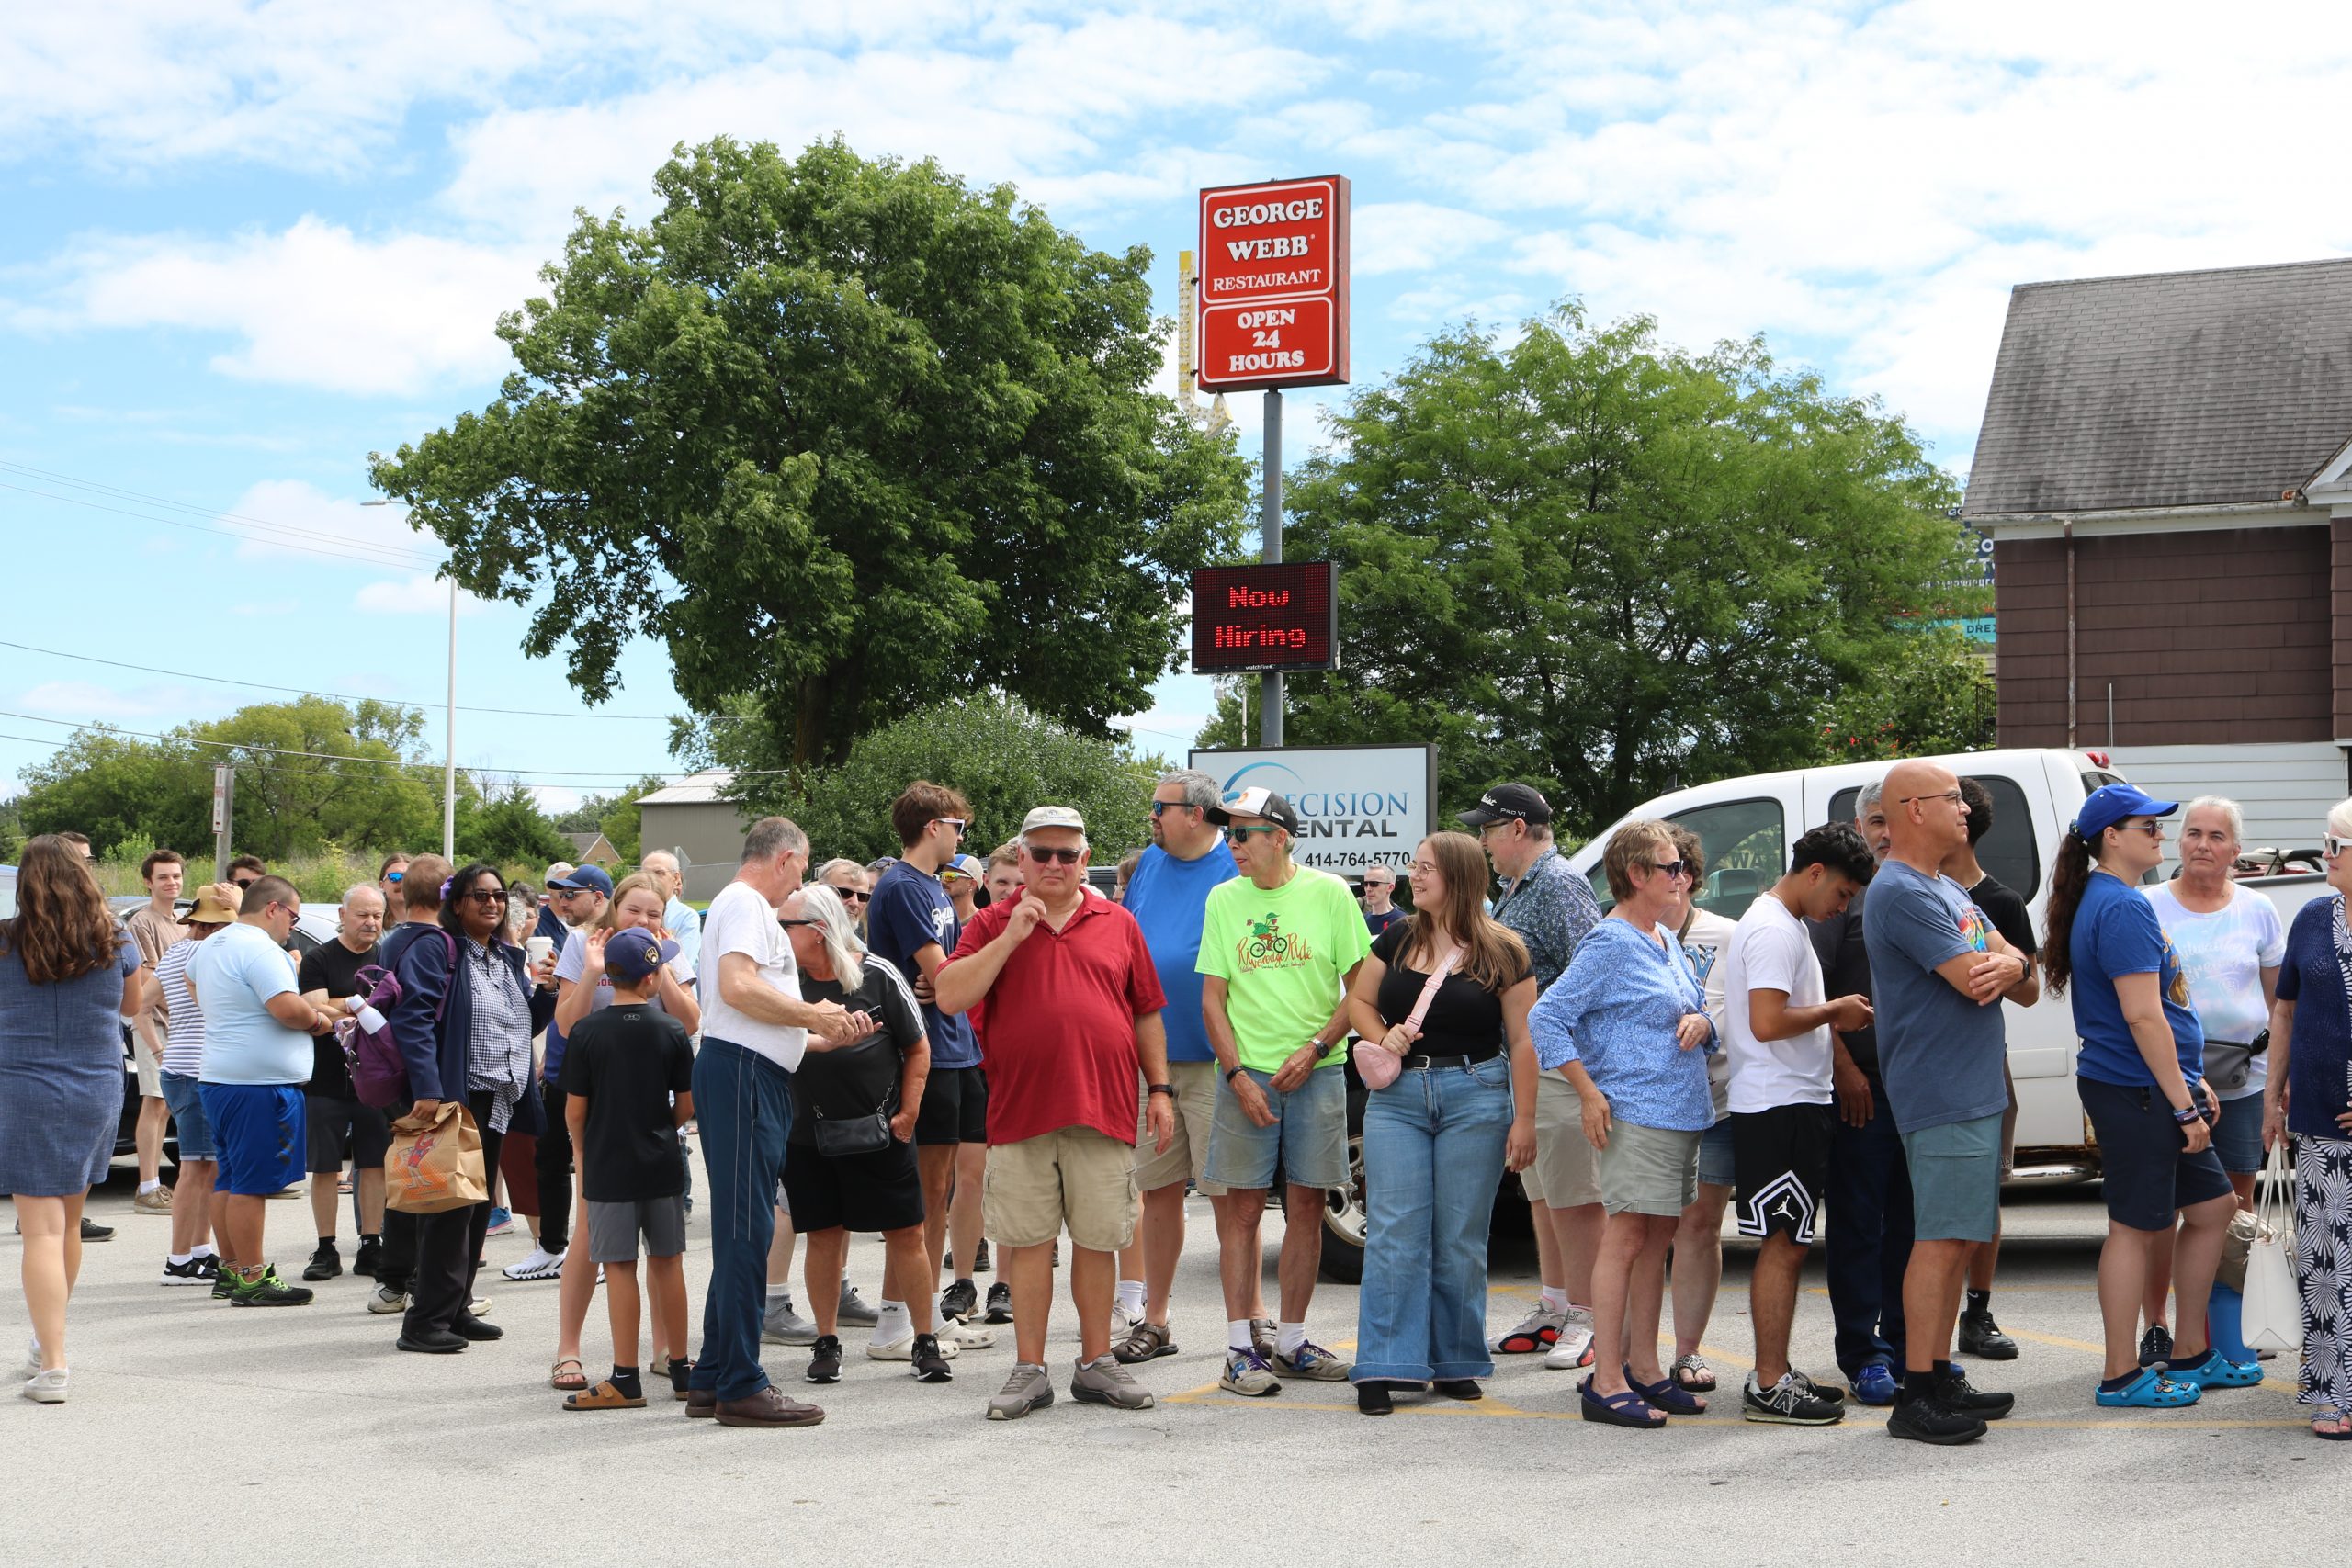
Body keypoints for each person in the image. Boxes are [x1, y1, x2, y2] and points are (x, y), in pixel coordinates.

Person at [934, 805, 1172, 1421]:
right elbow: (953, 993)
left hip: (1104, 1106)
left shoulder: (1118, 923)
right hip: (1020, 1111)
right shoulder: (990, 923)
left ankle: (1095, 1364)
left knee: (1098, 1239)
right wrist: (1013, 933)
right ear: (1022, 857)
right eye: (1042, 853)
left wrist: (1163, 1089)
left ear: (1085, 860)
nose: (1056, 864)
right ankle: (1029, 1369)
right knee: (1029, 1241)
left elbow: (1147, 1011)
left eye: (1068, 854)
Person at [2041, 783, 2253, 1408]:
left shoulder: (2113, 898)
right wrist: (2182, 1102)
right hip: (2135, 1090)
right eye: (2149, 826)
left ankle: (2190, 1349)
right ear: (2112, 836)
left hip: (2149, 1084)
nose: (2163, 835)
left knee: (2213, 1208)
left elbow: (2161, 1012)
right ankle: (2120, 1373)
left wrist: (2189, 1077)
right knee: (2134, 1227)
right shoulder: (2122, 906)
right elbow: (2143, 1016)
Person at [1863, 760, 2030, 1442]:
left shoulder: (1945, 888)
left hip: (1970, 1088)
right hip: (1942, 1088)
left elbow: (2018, 974)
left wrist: (2013, 960)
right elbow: (1976, 979)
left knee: (1960, 1235)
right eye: (1952, 799)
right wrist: (2007, 962)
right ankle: (1918, 1391)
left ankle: (1935, 1374)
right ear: (1911, 809)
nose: (1965, 809)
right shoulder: (1903, 891)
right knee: (1938, 1240)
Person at [1529, 820, 1715, 1429]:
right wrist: (1587, 1092)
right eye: (1671, 867)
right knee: (1628, 1238)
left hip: (1677, 1113)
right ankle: (1606, 1380)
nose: (1683, 876)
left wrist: (1701, 1025)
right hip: (1636, 1112)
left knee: (1655, 1240)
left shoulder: (1662, 936)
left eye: (1683, 867)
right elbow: (1547, 1018)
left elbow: (1688, 1008)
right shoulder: (1610, 940)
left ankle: (1645, 1368)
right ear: (1636, 875)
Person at [1344, 830, 1536, 1414]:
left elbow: (1524, 1040)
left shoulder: (1505, 949)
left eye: (1426, 867)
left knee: (1460, 1236)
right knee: (1394, 1230)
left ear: (1457, 875)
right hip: (1398, 1097)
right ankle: (1383, 1365)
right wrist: (1383, 1036)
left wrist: (1525, 1119)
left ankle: (1454, 1360)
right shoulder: (1396, 936)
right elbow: (1358, 1003)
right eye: (1413, 866)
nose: (1414, 875)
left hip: (1476, 1094)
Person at [684, 817, 866, 1428]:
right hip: (741, 1078)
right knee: (747, 1231)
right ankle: (740, 1381)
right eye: (803, 867)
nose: (801, 882)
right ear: (786, 859)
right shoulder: (745, 903)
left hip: (748, 1072)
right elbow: (738, 989)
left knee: (747, 1228)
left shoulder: (744, 907)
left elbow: (745, 1011)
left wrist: (820, 1029)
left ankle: (714, 1375)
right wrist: (812, 1013)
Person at [1198, 787, 1370, 1394]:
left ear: (1281, 835)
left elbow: (1360, 986)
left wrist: (1318, 1046)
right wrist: (1238, 1074)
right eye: (1229, 834)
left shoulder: (1329, 894)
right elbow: (1211, 998)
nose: (1233, 845)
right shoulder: (1224, 897)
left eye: (1242, 833)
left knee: (1306, 1206)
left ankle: (1292, 1341)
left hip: (1318, 1072)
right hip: (1246, 1076)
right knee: (1242, 1211)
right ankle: (1240, 1349)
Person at [1721, 824, 1876, 1424]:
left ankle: (1776, 1368)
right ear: (1815, 873)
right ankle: (1767, 1381)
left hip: (1792, 1101)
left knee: (1790, 1240)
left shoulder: (1783, 924)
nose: (1842, 906)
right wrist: (1835, 1009)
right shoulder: (1770, 928)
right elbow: (1765, 1020)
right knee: (1783, 1243)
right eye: (1841, 894)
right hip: (1778, 1104)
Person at [781, 886, 955, 1385]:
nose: (778, 934)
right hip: (807, 1135)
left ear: (816, 932)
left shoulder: (876, 973)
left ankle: (924, 1340)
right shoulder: (784, 980)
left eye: (785, 926)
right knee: (823, 1236)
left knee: (907, 1234)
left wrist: (908, 1114)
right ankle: (827, 1341)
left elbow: (918, 1048)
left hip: (882, 1131)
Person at [385, 861, 557, 1352]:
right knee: (449, 1207)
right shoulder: (440, 949)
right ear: (455, 903)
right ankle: (424, 1322)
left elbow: (519, 1022)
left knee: (477, 1205)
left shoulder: (502, 956)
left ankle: (456, 1308)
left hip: (498, 1096)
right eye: (479, 895)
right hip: (456, 1094)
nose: (492, 903)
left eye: (498, 896)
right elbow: (413, 1019)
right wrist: (427, 1088)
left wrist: (545, 992)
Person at [1465, 782, 1606, 1369]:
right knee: (1544, 1195)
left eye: (1488, 830)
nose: (1482, 842)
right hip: (1535, 1066)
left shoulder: (1560, 884)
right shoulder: (1520, 888)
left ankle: (1591, 1316)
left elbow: (1596, 972)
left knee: (1576, 1198)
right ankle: (1555, 1306)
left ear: (1517, 829)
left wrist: (1582, 1078)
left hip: (1561, 1065)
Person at [542, 873, 704, 1381]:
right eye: (634, 911)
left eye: (654, 913)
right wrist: (593, 972)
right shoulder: (579, 944)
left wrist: (663, 967)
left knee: (661, 1250)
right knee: (590, 1237)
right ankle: (569, 1348)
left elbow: (690, 1021)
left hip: (649, 1118)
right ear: (613, 909)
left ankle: (662, 1354)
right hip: (594, 1106)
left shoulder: (668, 953)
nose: (644, 920)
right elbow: (566, 1024)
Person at [0, 837, 145, 1403]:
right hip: (95, 1085)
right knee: (69, 1223)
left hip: (21, 1087)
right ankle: (47, 1342)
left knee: (39, 1229)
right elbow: (131, 1009)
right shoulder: (116, 939)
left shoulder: (5, 943)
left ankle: (53, 1362)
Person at [1114, 769, 1250, 1366]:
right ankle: (1158, 1319)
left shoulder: (1237, 868)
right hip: (1153, 1063)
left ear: (1195, 813)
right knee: (1159, 1191)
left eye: (1159, 807)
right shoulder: (1149, 862)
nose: (1152, 817)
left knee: (1228, 1198)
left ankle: (1247, 1325)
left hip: (1223, 1062)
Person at [2143, 794, 2282, 1358]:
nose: (2203, 844)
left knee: (2235, 1206)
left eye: (2216, 836)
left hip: (2243, 1083)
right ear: (2180, 843)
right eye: (2194, 833)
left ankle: (2229, 1327)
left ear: (2237, 850)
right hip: (2168, 1084)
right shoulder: (2147, 905)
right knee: (2162, 1211)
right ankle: (2158, 1326)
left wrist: (2280, 1082)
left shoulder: (2258, 910)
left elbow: (2281, 1007)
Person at [866, 783, 995, 1353]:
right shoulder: (902, 885)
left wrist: (953, 978)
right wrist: (953, 979)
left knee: (938, 1188)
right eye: (958, 826)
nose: (962, 836)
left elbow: (951, 976)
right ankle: (899, 1320)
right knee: (921, 1191)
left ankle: (920, 1310)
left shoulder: (931, 887)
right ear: (932, 827)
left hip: (955, 1045)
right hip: (926, 1049)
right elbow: (946, 979)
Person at [189, 874, 338, 1307]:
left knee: (231, 1177)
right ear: (273, 908)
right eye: (292, 915)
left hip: (221, 1077)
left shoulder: (213, 944)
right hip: (257, 1085)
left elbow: (191, 981)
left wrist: (231, 1016)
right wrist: (320, 1022)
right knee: (251, 1184)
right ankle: (253, 1278)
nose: (291, 926)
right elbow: (286, 1008)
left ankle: (233, 1270)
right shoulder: (261, 949)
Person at [1812, 781, 1909, 1406]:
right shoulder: (1843, 901)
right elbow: (1809, 992)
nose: (1883, 831)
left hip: (1922, 1087)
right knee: (1857, 1226)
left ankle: (1908, 1347)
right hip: (1861, 1089)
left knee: (1913, 1227)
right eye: (1873, 819)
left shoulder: (1930, 890)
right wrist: (1843, 1066)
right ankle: (1864, 1354)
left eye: (1891, 819)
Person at [2262, 798, 2352, 1438]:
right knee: (2324, 1264)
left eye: (2335, 844)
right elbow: (2285, 1011)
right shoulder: (2314, 917)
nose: (2325, 854)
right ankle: (2330, 1392)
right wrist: (2272, 1097)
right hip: (2319, 1121)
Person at [1944, 775, 2041, 1362]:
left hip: (1984, 1066)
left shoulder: (2000, 900)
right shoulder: (1900, 887)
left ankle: (1976, 1315)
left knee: (1983, 1200)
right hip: (1920, 1064)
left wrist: (2011, 971)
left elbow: (2030, 989)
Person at [1661, 826, 1736, 1395]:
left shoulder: (1727, 936)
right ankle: (1625, 1351)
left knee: (1700, 1225)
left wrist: (1710, 1025)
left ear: (1687, 875)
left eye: (1674, 868)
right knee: (1638, 1229)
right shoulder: (1622, 934)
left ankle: (1686, 1352)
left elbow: (1744, 1010)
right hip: (1647, 1106)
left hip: (1716, 1103)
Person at [521, 864, 615, 1294]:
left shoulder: (614, 940)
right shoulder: (564, 937)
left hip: (601, 1074)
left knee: (595, 1165)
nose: (561, 900)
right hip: (560, 1065)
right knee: (551, 1158)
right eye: (558, 893)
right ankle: (551, 1247)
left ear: (599, 897)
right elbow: (561, 1015)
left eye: (571, 894)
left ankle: (596, 1250)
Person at [368, 854, 450, 1318]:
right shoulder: (431, 942)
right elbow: (416, 1017)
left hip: (392, 1074)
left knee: (407, 1176)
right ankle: (418, 1285)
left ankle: (394, 1282)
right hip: (419, 1080)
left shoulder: (393, 938)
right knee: (431, 1184)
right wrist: (429, 1086)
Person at [294, 885, 389, 1283]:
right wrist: (361, 1005)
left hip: (377, 1079)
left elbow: (394, 1005)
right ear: (342, 913)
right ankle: (326, 1247)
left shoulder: (386, 955)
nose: (370, 923)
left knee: (374, 1164)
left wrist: (341, 1003)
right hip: (326, 1078)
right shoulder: (318, 957)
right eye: (362, 915)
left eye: (377, 916)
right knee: (325, 1167)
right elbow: (314, 1007)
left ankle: (371, 1244)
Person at [155, 886, 238, 1288]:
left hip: (180, 1065)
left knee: (206, 1168)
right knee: (195, 1168)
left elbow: (144, 1001)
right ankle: (178, 1260)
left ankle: (198, 1250)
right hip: (195, 1070)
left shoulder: (174, 952)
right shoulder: (204, 953)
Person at [124, 849, 187, 1214]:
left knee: (171, 1105)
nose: (171, 882)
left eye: (176, 876)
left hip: (182, 1027)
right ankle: (147, 1186)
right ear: (148, 881)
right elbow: (145, 979)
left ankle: (164, 1185)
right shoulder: (141, 923)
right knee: (155, 1101)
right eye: (163, 877)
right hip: (154, 1025)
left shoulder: (181, 922)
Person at [639, 850, 702, 975]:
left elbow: (682, 968)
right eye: (645, 874)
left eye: (659, 873)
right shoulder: (636, 915)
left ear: (676, 878)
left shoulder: (687, 917)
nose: (651, 879)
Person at [1359, 863, 1406, 937]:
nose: (1368, 889)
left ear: (1390, 887)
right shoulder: (1361, 921)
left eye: (1374, 883)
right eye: (1365, 884)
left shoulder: (1402, 921)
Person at [943, 854, 982, 923]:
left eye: (950, 876)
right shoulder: (937, 920)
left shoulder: (982, 923)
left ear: (971, 884)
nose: (943, 881)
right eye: (942, 875)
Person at [378, 852, 411, 918]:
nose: (403, 882)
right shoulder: (375, 922)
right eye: (395, 877)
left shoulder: (433, 921)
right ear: (382, 885)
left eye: (408, 877)